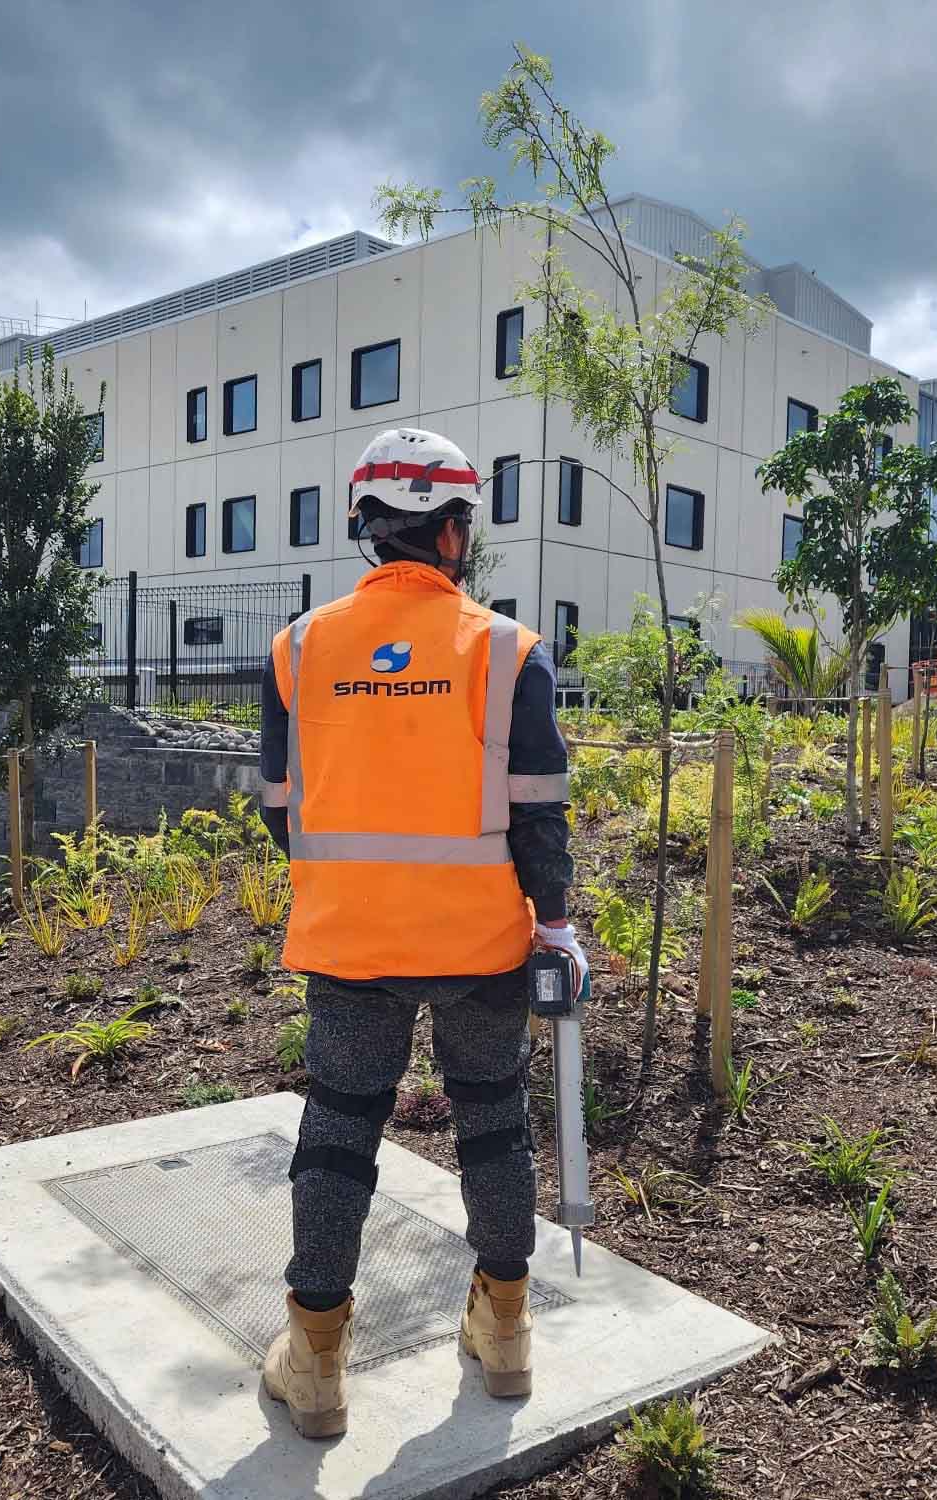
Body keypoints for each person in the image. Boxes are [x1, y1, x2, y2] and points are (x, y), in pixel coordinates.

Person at [256, 428, 581, 1440]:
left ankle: (312, 1355)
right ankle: (506, 1332)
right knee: (490, 1121)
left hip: (348, 945)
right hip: (481, 946)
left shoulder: (299, 648)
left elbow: (278, 806)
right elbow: (538, 814)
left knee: (339, 1133)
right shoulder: (506, 649)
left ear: (364, 528)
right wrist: (556, 921)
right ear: (453, 531)